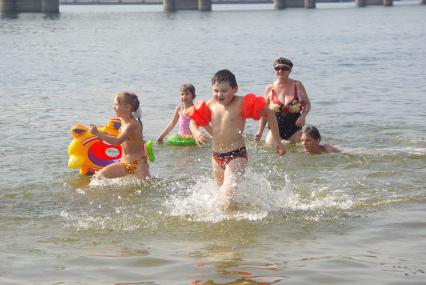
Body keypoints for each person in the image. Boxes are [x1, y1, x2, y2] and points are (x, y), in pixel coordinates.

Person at [188, 69, 286, 210]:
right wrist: (196, 132)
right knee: (219, 195)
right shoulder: (211, 104)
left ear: (235, 89)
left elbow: (269, 113)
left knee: (227, 192)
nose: (219, 94)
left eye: (224, 91)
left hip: (236, 154)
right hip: (216, 157)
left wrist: (277, 140)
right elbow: (194, 121)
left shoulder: (241, 103)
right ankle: (232, 220)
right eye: (216, 90)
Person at [89, 92, 150, 180]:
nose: (113, 107)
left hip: (138, 164)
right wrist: (100, 135)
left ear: (128, 107)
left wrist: (98, 133)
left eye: (116, 104)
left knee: (146, 189)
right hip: (125, 164)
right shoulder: (122, 122)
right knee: (99, 176)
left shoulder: (132, 125)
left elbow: (117, 141)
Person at [255, 57, 311, 143]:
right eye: (277, 68)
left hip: (295, 129)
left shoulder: (297, 85)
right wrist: (260, 131)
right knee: (269, 152)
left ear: (290, 70)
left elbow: (307, 104)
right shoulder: (270, 88)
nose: (280, 71)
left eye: (284, 68)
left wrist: (303, 116)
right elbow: (264, 113)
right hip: (275, 130)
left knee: (297, 154)